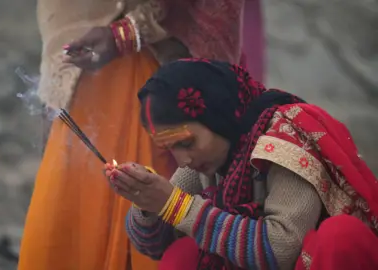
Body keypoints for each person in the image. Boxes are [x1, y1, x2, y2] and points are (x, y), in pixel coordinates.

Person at [18, 1, 265, 270]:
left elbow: (276, 246)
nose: (184, 157)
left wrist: (127, 32)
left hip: (149, 51)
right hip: (81, 59)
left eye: (185, 144)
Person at [105, 59, 378, 270]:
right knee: (181, 255)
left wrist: (175, 205)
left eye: (186, 144)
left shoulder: (284, 141)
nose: (183, 160)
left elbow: (281, 249)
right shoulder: (207, 156)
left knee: (341, 236)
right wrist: (146, 202)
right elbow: (155, 245)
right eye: (169, 148)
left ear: (219, 118)